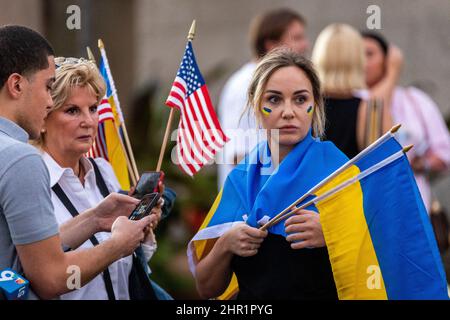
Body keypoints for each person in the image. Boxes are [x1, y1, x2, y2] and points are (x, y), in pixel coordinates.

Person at [0, 25, 153, 300]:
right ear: (16, 85)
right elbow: (50, 278)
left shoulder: (102, 171)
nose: (48, 101)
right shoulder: (21, 159)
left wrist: (95, 219)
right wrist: (119, 244)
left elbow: (30, 250)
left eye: (93, 108)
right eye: (48, 87)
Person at [189, 49, 349, 300]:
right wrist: (225, 244)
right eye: (274, 100)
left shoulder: (341, 171)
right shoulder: (240, 179)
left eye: (300, 99)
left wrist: (333, 234)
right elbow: (206, 288)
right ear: (256, 105)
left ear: (315, 103)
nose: (288, 112)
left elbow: (381, 261)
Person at [217, 8, 309, 188]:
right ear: (271, 45)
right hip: (252, 204)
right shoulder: (245, 84)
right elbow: (239, 154)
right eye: (297, 38)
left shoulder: (271, 79)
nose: (305, 45)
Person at [362, 31, 450, 211]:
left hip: (415, 205)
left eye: (370, 54)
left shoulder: (415, 100)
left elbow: (444, 152)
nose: (363, 61)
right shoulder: (352, 101)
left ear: (387, 59)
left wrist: (423, 163)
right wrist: (392, 74)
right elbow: (374, 109)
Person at [311, 23, 402, 159]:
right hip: (354, 180)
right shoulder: (373, 110)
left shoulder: (303, 105)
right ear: (357, 59)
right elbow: (385, 165)